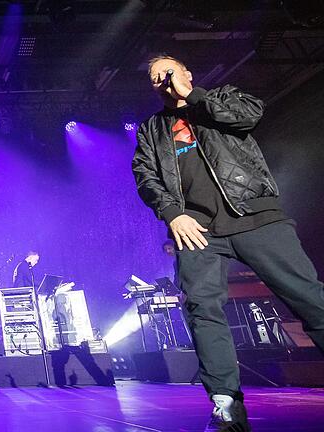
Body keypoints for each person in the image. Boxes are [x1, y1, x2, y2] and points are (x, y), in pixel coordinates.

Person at [133, 54, 324, 432]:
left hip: (256, 217)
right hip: (196, 229)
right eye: (156, 79)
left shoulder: (220, 98)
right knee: (203, 312)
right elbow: (145, 175)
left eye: (169, 73)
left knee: (309, 298)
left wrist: (193, 95)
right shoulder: (152, 129)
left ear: (187, 73)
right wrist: (172, 213)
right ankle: (226, 408)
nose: (163, 81)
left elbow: (248, 116)